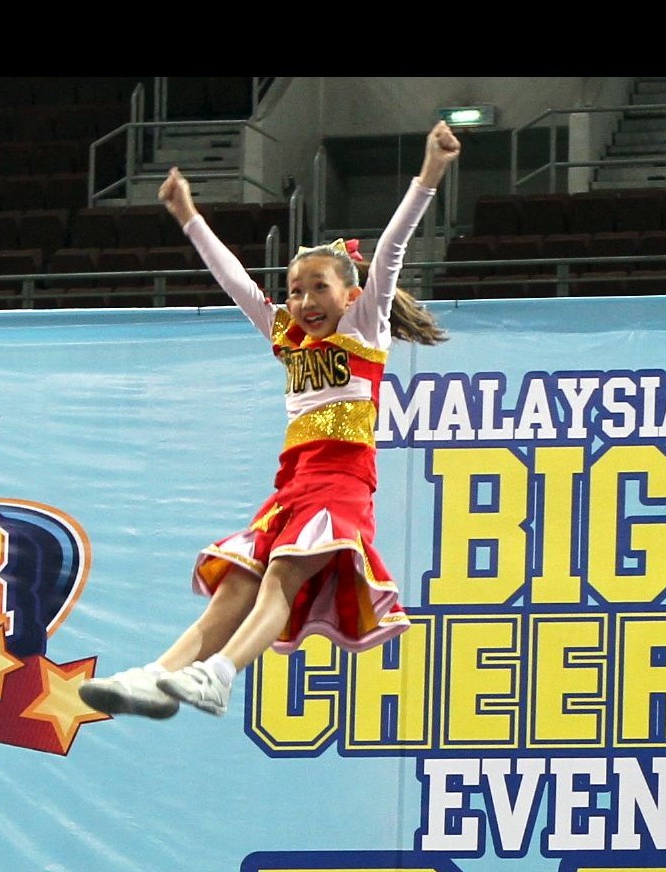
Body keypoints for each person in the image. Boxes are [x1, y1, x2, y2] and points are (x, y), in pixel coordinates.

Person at [79, 123, 457, 720]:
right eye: (295, 290)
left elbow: (391, 251)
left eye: (318, 289)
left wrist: (429, 174)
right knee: (235, 586)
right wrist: (188, 217)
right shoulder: (287, 337)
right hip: (293, 487)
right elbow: (236, 283)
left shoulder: (365, 328)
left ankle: (219, 675)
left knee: (280, 578)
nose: (304, 302)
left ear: (351, 295)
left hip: (341, 484)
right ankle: (156, 677)